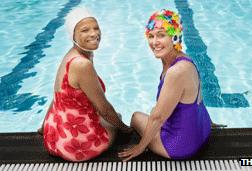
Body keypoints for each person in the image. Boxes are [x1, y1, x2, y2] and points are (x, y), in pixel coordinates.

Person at [119, 9, 217, 161]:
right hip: (202, 131)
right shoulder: (185, 60)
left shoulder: (175, 72)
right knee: (155, 111)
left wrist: (140, 147)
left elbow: (157, 118)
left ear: (175, 37)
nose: (154, 42)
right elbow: (199, 97)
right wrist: (210, 123)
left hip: (181, 146)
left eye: (161, 35)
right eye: (151, 36)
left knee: (136, 117)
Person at [39, 7, 131, 162]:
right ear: (73, 35)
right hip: (75, 146)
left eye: (96, 28)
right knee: (117, 119)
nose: (94, 33)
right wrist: (126, 129)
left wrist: (43, 127)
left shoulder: (71, 55)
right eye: (85, 30)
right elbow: (105, 109)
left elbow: (56, 96)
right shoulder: (82, 64)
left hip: (54, 136)